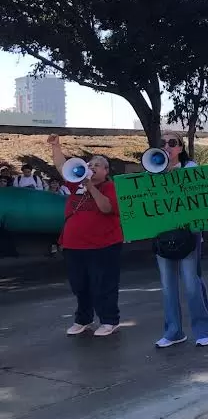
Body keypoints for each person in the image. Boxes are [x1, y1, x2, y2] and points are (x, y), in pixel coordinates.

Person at [48, 134, 124, 337]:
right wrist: (56, 146)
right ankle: (84, 319)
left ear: (105, 171)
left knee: (104, 284)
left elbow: (106, 208)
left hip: (103, 245)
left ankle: (109, 320)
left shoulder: (110, 187)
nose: (91, 167)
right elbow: (61, 166)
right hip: (74, 245)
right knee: (80, 285)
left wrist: (91, 187)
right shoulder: (76, 184)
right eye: (90, 164)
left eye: (97, 165)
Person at [153, 133, 208, 348]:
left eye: (173, 143)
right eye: (163, 143)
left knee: (191, 282)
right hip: (163, 233)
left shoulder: (190, 168)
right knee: (167, 285)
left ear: (181, 148)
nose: (167, 146)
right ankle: (173, 332)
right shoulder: (152, 170)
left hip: (187, 233)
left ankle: (206, 329)